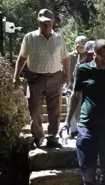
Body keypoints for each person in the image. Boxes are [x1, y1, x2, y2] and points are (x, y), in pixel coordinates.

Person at [62, 39, 105, 185]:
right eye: (102, 56)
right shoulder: (83, 70)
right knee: (87, 170)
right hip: (87, 126)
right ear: (94, 54)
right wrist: (67, 121)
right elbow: (75, 96)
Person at [13, 9, 70, 148]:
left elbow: (65, 58)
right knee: (34, 110)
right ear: (38, 22)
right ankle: (38, 137)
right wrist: (16, 76)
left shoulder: (59, 39)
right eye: (44, 23)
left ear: (53, 23)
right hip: (35, 78)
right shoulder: (29, 37)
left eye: (49, 22)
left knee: (55, 111)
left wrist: (69, 76)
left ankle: (52, 138)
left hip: (55, 77)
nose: (47, 25)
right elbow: (22, 58)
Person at [68, 40, 95, 138]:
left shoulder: (104, 66)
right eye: (90, 53)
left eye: (94, 53)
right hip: (79, 92)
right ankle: (75, 131)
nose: (92, 56)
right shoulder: (81, 66)